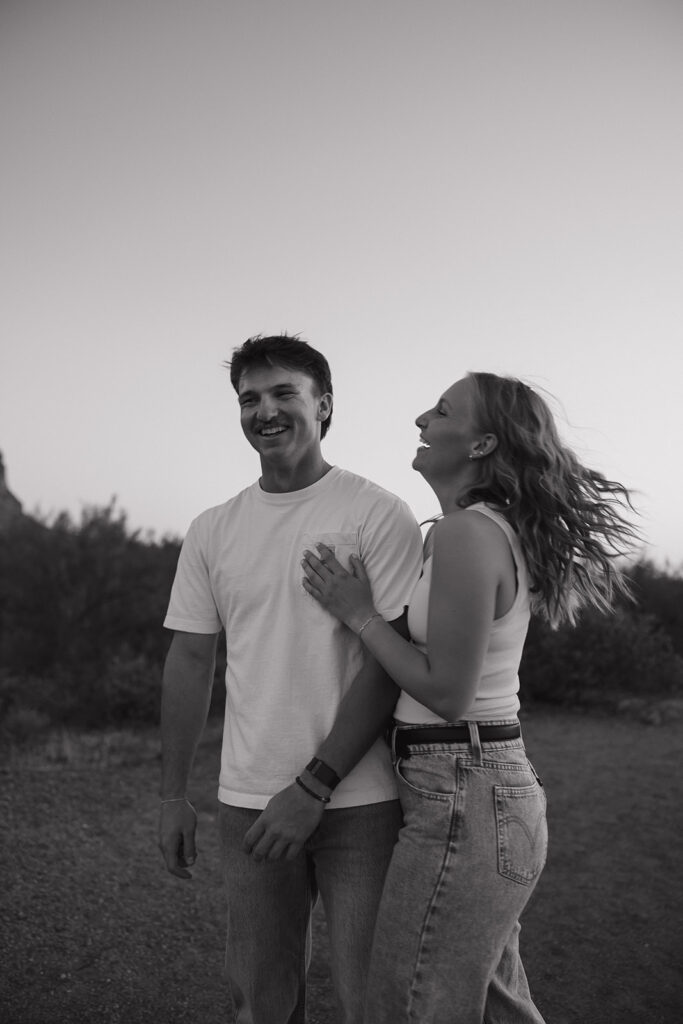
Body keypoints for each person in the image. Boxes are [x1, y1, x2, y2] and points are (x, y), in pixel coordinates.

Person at [294, 371, 638, 1024]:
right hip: (475, 789)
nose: (421, 419)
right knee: (496, 1006)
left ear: (481, 444)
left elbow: (448, 692)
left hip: (465, 791)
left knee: (404, 1006)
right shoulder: (457, 533)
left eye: (441, 410)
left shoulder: (467, 535)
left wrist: (358, 613)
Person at [158, 334, 424, 1024]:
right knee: (260, 1003)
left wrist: (314, 786)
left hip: (360, 800)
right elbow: (190, 660)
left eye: (283, 394)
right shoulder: (213, 529)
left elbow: (390, 661)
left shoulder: (374, 513)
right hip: (247, 798)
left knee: (375, 1003)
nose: (263, 411)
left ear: (324, 406)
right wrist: (171, 796)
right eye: (249, 398)